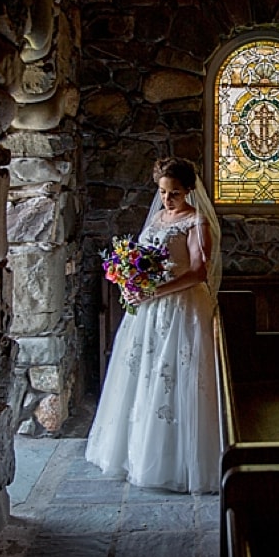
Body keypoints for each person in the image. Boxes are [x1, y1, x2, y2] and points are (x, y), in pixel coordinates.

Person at [85, 156, 223, 494]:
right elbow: (145, 259)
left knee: (174, 377)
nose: (167, 199)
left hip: (181, 306)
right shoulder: (159, 218)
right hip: (149, 309)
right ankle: (137, 453)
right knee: (143, 373)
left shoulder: (196, 222)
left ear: (189, 190)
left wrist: (154, 291)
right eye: (162, 192)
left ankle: (178, 460)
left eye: (174, 193)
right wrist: (130, 281)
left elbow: (197, 272)